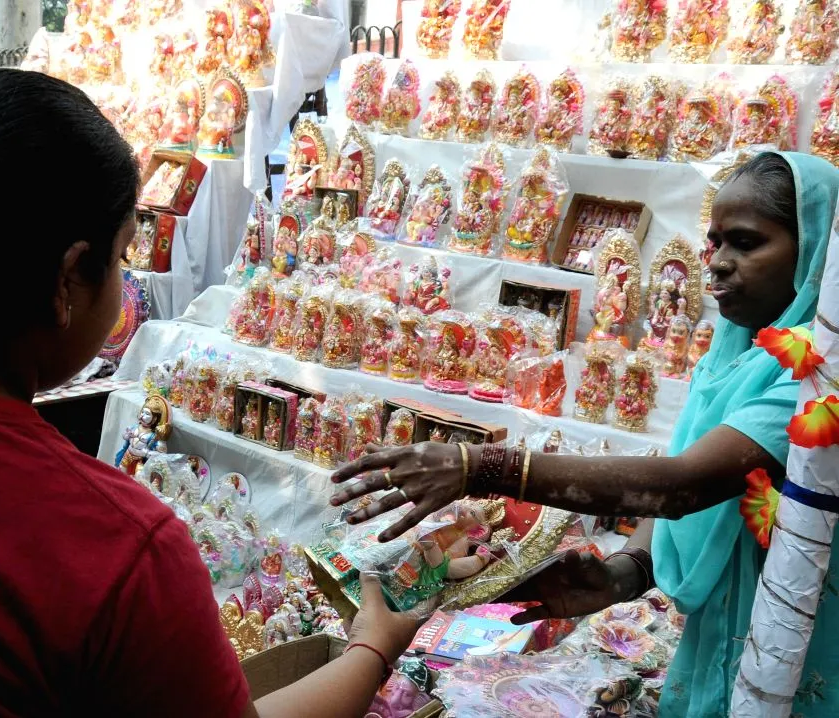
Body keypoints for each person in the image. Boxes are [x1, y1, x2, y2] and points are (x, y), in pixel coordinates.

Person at [0, 70, 419, 717]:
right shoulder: (121, 550)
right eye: (125, 253)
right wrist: (371, 650)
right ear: (70, 278)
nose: (125, 280)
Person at [331, 151, 839, 716]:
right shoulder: (736, 355)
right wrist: (627, 574)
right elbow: (686, 474)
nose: (717, 263)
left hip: (799, 637)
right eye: (715, 242)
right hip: (724, 628)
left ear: (818, 252)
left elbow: (684, 485)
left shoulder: (821, 374)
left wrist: (480, 467)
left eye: (746, 243)